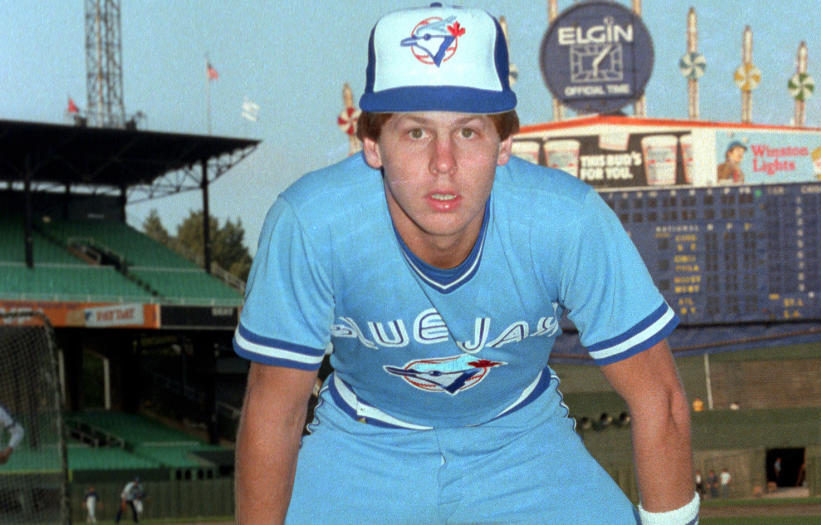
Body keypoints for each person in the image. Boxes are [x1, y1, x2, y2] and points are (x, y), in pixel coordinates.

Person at [233, 4, 697, 524]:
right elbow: (274, 409)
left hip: (522, 438)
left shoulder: (565, 218)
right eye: (415, 132)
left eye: (469, 132)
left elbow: (660, 398)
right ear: (371, 144)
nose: (443, 162)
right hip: (362, 441)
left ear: (504, 143)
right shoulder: (313, 222)